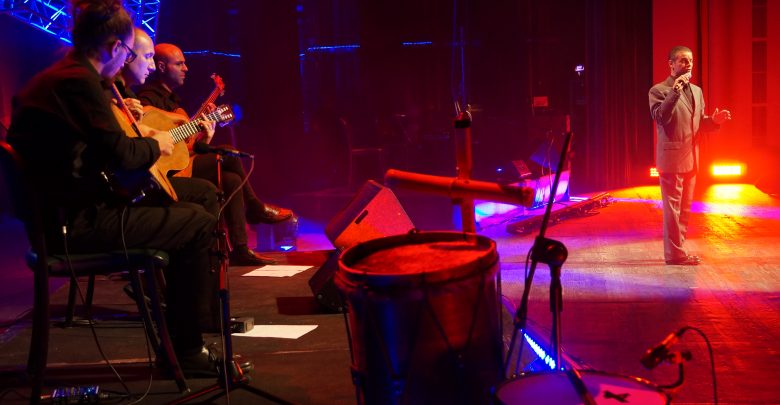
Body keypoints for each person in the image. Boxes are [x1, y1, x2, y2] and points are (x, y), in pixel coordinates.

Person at [7, 0, 219, 376]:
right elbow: (124, 155)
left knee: (190, 209)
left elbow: (100, 148)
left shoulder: (64, 76)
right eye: (128, 53)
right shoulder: (80, 83)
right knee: (198, 223)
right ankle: (186, 351)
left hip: (66, 217)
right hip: (76, 226)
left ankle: (181, 334)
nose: (125, 64)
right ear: (115, 46)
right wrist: (157, 143)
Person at [136, 43, 293, 266]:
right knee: (228, 153)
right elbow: (145, 133)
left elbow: (184, 149)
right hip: (161, 174)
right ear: (161, 67)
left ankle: (240, 248)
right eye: (179, 64)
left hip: (180, 165)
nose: (186, 68)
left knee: (232, 179)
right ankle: (254, 207)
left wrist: (206, 136)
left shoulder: (175, 104)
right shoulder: (147, 98)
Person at [648, 45, 732, 266]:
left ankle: (679, 251)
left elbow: (699, 123)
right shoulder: (659, 90)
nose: (688, 65)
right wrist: (675, 91)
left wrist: (714, 121)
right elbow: (661, 117)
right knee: (672, 211)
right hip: (672, 159)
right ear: (671, 64)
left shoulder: (696, 91)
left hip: (691, 158)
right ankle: (674, 254)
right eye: (683, 60)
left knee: (684, 211)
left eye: (691, 61)